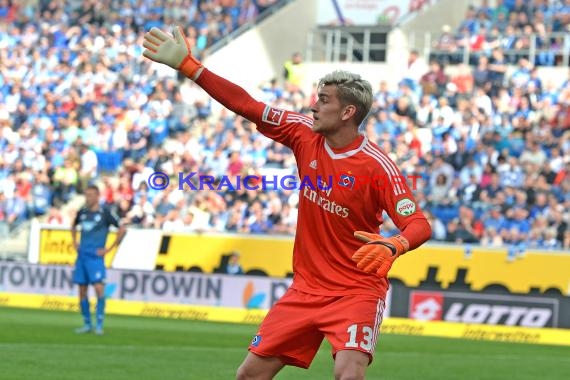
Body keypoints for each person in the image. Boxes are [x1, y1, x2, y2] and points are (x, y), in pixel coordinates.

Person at [142, 27, 432, 380]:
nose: (314, 105)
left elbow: (418, 223)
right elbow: (246, 105)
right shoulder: (302, 132)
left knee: (349, 374)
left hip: (356, 291)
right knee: (248, 375)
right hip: (305, 289)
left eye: (324, 100)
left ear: (347, 112)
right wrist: (190, 66)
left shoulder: (377, 166)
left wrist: (395, 243)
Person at [71, 184, 126, 335]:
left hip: (95, 256)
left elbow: (122, 229)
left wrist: (109, 248)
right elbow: (73, 226)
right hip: (82, 255)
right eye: (86, 195)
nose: (87, 198)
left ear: (97, 196)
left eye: (90, 195)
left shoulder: (105, 213)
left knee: (98, 288)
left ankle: (99, 324)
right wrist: (74, 241)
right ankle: (87, 323)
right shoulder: (82, 212)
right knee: (82, 290)